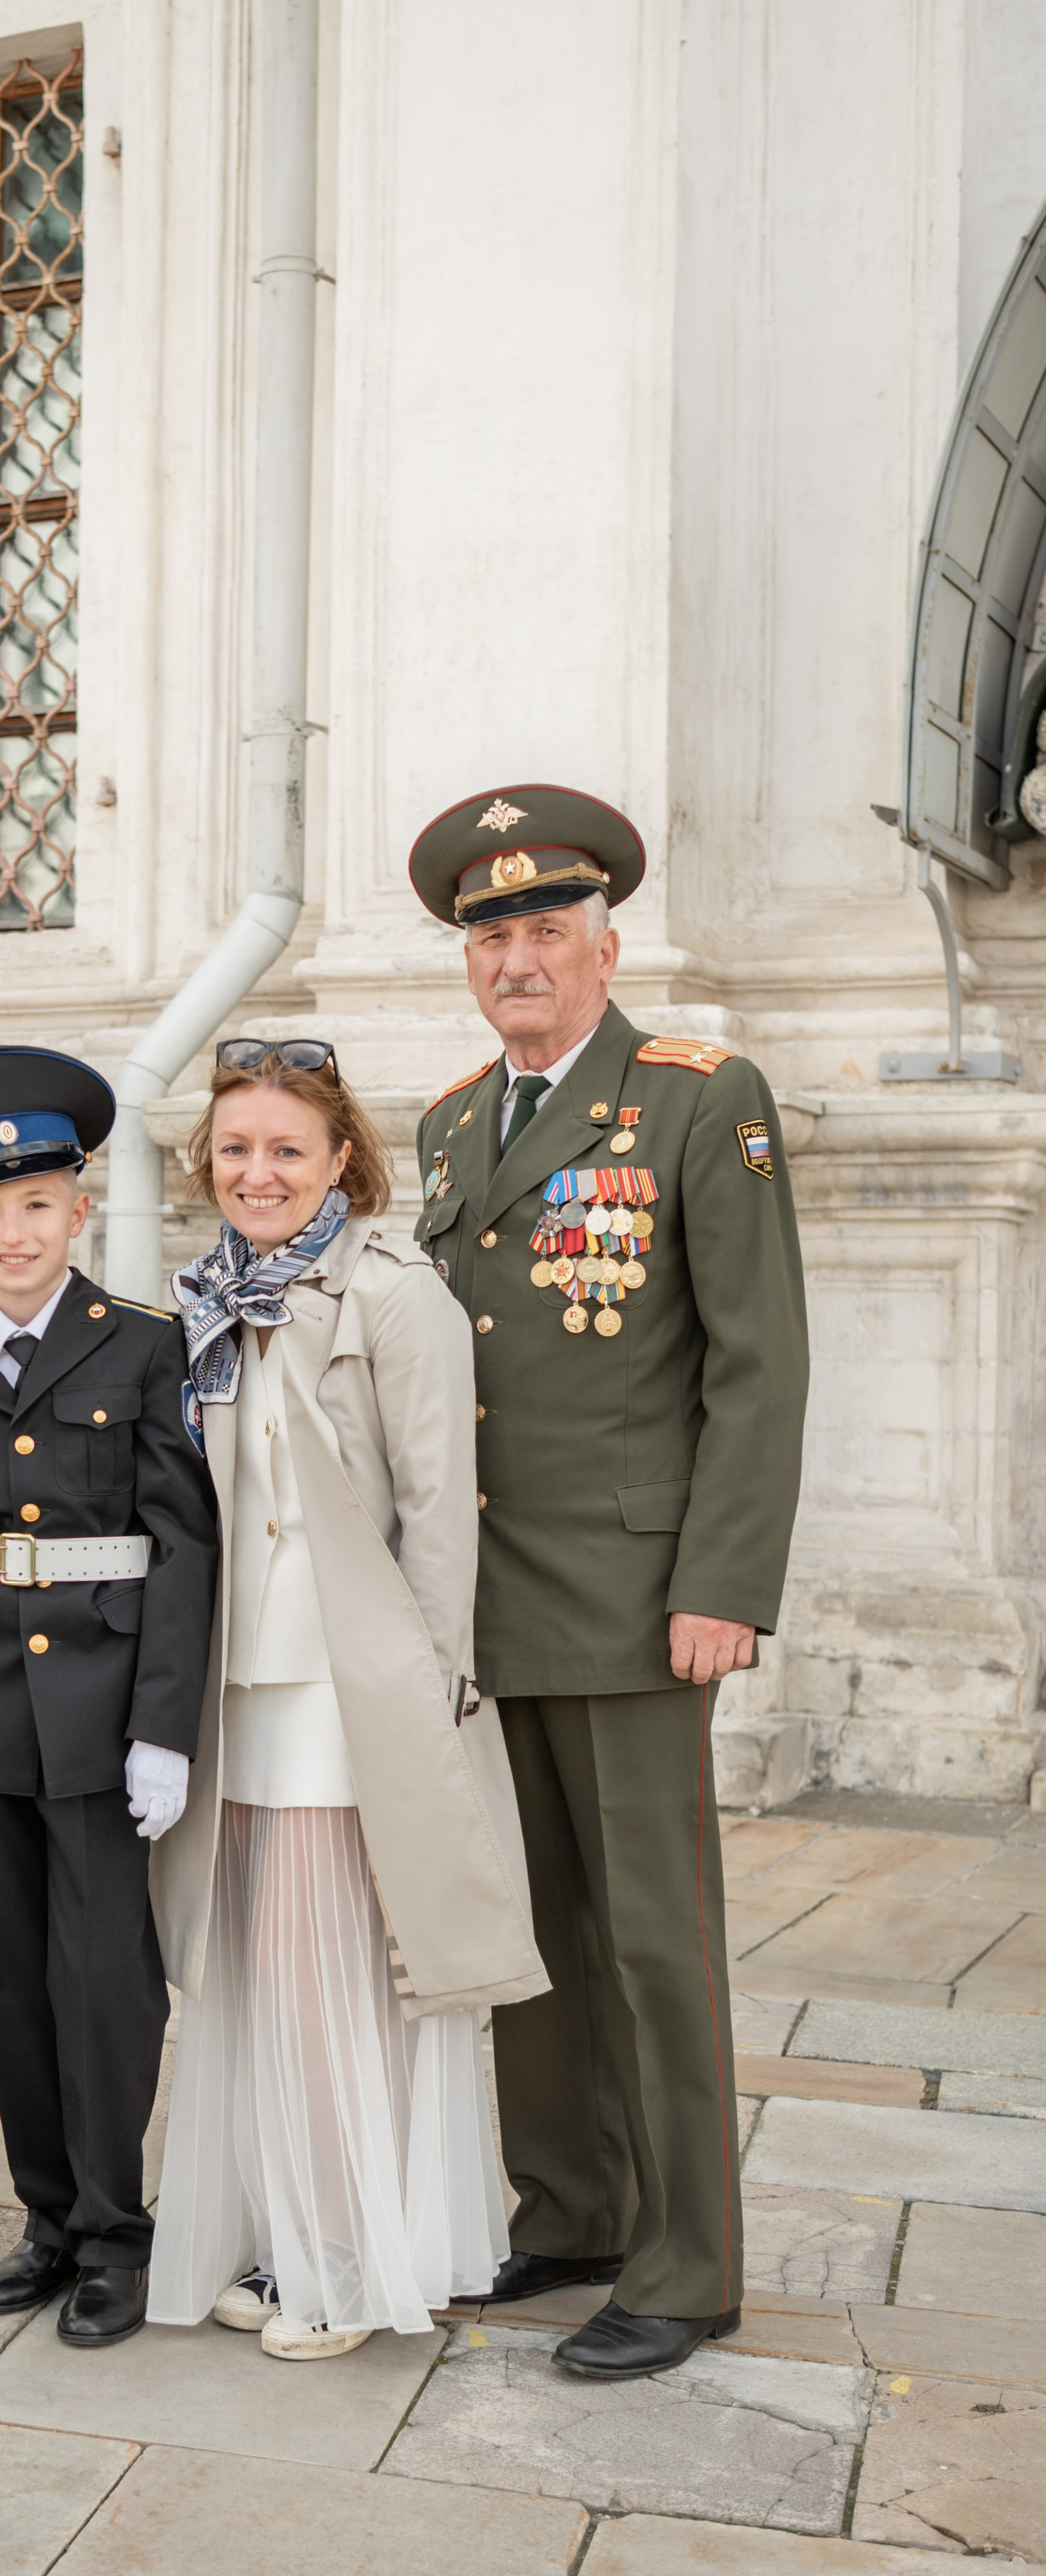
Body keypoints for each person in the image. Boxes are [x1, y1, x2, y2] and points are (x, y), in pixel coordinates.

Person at [408, 783, 809, 2379]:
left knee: (649, 1937)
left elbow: (754, 1364)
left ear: (601, 943)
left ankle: (685, 2263)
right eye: (490, 934)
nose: (517, 956)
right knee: (532, 1931)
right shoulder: (448, 1124)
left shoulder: (697, 1098)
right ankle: (566, 2207)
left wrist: (724, 1582)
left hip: (642, 1601)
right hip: (488, 1601)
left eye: (543, 931)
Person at [145, 1041, 545, 2358]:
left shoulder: (392, 1290)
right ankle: (275, 2232)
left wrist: (429, 1693)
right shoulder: (201, 1296)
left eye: (286, 1151)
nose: (257, 1173)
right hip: (236, 1683)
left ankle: (350, 2264)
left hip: (347, 1685)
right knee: (252, 1966)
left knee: (339, 1979)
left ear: (340, 1161)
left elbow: (440, 1507)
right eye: (238, 1149)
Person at [0, 1048, 218, 2346]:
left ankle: (114, 2231)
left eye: (36, 1205)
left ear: (80, 1209)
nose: (12, 1233)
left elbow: (187, 1546)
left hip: (100, 1708)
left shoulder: (144, 1350)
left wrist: (164, 1729)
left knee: (106, 1980)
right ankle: (43, 2219)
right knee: (10, 1977)